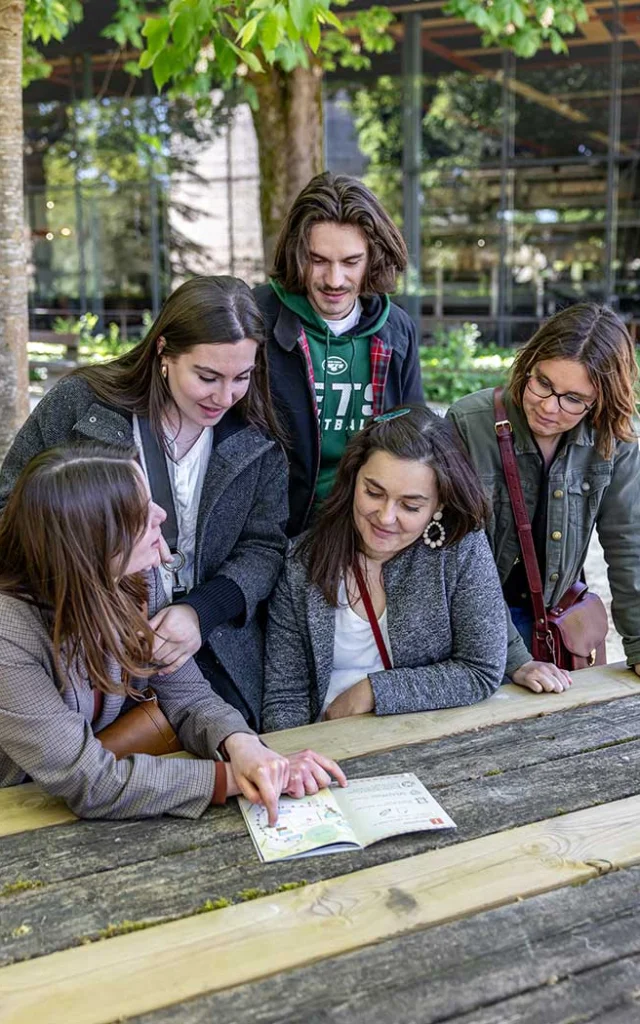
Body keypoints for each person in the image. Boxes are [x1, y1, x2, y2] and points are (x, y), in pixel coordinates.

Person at [0, 276, 288, 730]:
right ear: (163, 353)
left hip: (211, 643)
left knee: (226, 739)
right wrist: (98, 598)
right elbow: (12, 511)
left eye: (242, 377)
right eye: (207, 376)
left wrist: (201, 611)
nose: (225, 396)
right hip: (85, 637)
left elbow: (264, 547)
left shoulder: (256, 431)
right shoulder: (82, 404)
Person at [0, 446, 345, 822]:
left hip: (80, 802)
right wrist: (232, 778)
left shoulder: (130, 575)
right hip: (18, 812)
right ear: (93, 542)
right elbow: (92, 780)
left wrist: (242, 745)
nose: (161, 515)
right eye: (141, 514)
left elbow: (185, 691)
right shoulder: (10, 632)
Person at [261, 407, 507, 731]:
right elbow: (284, 697)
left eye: (410, 505)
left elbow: (481, 669)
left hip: (425, 738)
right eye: (373, 493)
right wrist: (296, 765)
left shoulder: (460, 548)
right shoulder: (302, 561)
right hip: (324, 748)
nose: (386, 517)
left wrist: (373, 691)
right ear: (353, 478)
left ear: (440, 504)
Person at [447, 303, 640, 694]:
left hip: (555, 625)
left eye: (573, 399)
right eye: (543, 384)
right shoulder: (469, 423)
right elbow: (457, 558)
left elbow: (629, 542)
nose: (550, 407)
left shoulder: (614, 439)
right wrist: (514, 657)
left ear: (600, 400)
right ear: (529, 362)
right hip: (471, 625)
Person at [254, 171, 425, 536]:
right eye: (318, 260)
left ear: (373, 258)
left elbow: (416, 439)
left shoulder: (397, 330)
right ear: (297, 254)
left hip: (369, 526)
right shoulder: (255, 319)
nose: (334, 280)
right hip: (273, 529)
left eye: (350, 262)